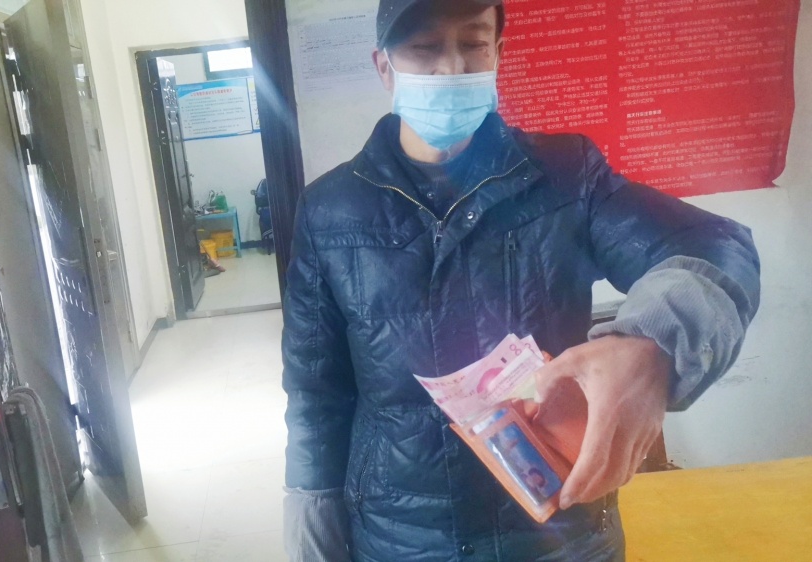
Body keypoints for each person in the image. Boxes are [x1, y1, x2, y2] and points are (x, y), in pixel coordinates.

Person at [281, 1, 761, 560]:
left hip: (561, 532)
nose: (451, 68)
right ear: (384, 67)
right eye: (424, 47)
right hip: (402, 538)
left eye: (473, 44)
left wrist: (653, 343)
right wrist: (312, 532)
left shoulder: (567, 176)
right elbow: (316, 393)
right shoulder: (330, 210)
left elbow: (713, 246)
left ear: (498, 54)